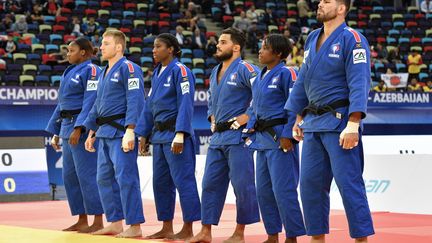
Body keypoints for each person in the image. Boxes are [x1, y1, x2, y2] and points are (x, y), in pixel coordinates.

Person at [284, 0, 375, 242]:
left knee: (349, 185)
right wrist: (298, 116)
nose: (320, 4)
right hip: (313, 124)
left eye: (327, 1)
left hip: (339, 123)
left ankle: (361, 239)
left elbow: (360, 81)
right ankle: (317, 238)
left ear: (342, 8)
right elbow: (304, 79)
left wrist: (354, 123)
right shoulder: (312, 37)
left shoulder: (353, 39)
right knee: (310, 187)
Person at [189, 27, 260, 243]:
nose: (217, 45)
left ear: (236, 47)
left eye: (222, 42)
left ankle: (240, 232)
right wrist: (211, 117)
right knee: (209, 184)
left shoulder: (247, 69)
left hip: (238, 138)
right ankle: (205, 231)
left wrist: (246, 118)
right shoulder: (215, 70)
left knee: (242, 186)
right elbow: (211, 101)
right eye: (218, 42)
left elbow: (262, 96)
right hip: (218, 138)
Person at [136, 33, 201, 241]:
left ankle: (189, 227)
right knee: (161, 183)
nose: (153, 51)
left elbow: (186, 103)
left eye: (158, 47)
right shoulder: (157, 73)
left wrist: (180, 133)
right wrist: (143, 134)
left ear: (171, 49)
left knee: (184, 181)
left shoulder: (181, 71)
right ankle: (166, 226)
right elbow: (149, 106)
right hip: (159, 136)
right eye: (153, 47)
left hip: (175, 134)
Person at [243, 34, 306, 243]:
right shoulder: (259, 76)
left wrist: (289, 134)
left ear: (278, 53)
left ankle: (293, 236)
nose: (260, 51)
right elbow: (253, 108)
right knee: (263, 192)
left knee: (283, 190)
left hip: (280, 139)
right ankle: (272, 235)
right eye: (260, 47)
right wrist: (249, 129)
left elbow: (296, 105)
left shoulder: (288, 73)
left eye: (265, 47)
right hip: (261, 141)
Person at [83, 30, 145, 238]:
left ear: (118, 47)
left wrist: (131, 130)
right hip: (104, 133)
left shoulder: (129, 68)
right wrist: (91, 131)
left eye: (106, 43)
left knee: (126, 179)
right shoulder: (102, 72)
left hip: (121, 132)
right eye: (102, 44)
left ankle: (135, 225)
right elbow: (97, 105)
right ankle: (116, 222)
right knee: (104, 179)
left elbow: (136, 99)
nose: (101, 47)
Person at [45, 37, 104, 233]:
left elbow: (91, 101)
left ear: (84, 53)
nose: (67, 54)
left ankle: (97, 220)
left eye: (71, 51)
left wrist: (80, 128)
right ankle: (81, 218)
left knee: (87, 175)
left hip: (81, 125)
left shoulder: (92, 70)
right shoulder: (68, 71)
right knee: (70, 176)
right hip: (67, 126)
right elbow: (62, 103)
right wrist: (55, 130)